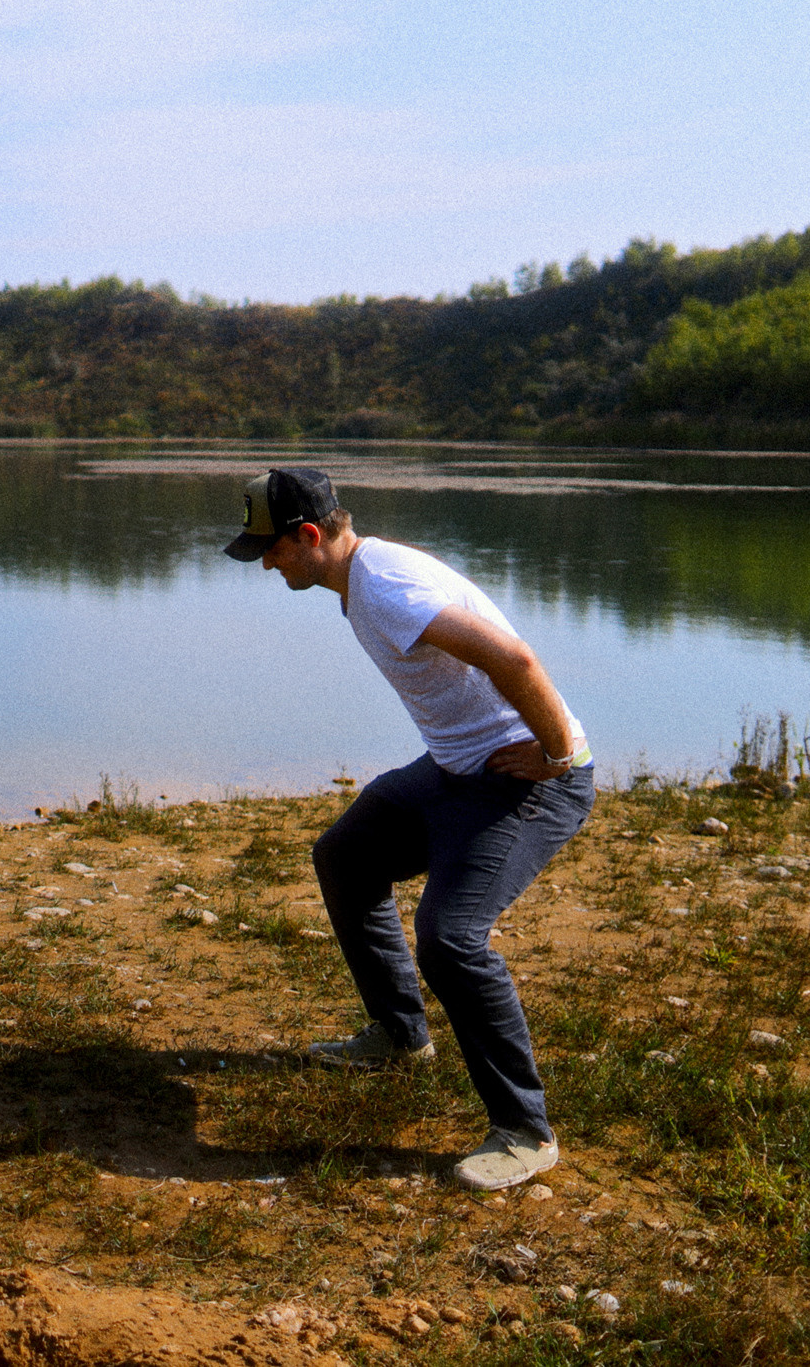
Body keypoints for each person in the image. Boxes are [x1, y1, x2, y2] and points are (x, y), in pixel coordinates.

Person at [225, 467, 595, 1192]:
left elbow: (513, 657)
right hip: (456, 773)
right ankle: (400, 1036)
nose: (266, 562)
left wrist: (561, 753)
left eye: (271, 549)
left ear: (308, 536)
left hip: (524, 784)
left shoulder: (388, 588)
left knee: (451, 938)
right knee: (347, 856)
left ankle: (525, 1131)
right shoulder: (361, 578)